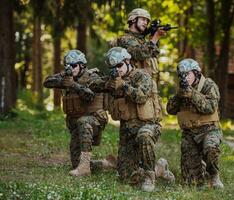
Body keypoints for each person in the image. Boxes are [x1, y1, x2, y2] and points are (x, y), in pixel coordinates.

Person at [89, 47, 174, 192]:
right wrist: (108, 83)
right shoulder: (115, 79)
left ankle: (150, 176)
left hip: (148, 125)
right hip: (127, 131)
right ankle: (160, 168)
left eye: (120, 65)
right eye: (114, 68)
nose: (118, 70)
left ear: (128, 61)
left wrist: (124, 85)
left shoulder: (142, 76)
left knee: (144, 136)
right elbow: (93, 85)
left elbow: (141, 96)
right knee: (126, 177)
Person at [43, 49, 109, 176]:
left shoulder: (92, 77)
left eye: (73, 66)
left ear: (82, 65)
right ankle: (106, 164)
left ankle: (84, 167)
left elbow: (90, 96)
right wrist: (63, 75)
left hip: (94, 120)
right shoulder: (68, 77)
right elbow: (47, 82)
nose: (71, 69)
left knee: (83, 121)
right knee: (75, 163)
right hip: (76, 126)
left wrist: (73, 85)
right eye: (68, 66)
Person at [166, 58, 224, 189]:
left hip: (209, 130)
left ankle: (214, 175)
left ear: (196, 73)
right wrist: (179, 96)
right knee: (191, 182)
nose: (184, 77)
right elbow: (170, 110)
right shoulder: (182, 88)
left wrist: (192, 94)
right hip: (190, 134)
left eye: (187, 74)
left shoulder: (209, 85)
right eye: (182, 75)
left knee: (211, 148)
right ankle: (201, 168)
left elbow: (210, 107)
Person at [115, 8, 166, 77]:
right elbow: (139, 54)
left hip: (146, 82)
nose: (146, 23)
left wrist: (153, 37)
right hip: (131, 83)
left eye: (147, 21)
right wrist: (156, 36)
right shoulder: (125, 39)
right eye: (143, 19)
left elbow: (155, 53)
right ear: (133, 19)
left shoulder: (142, 41)